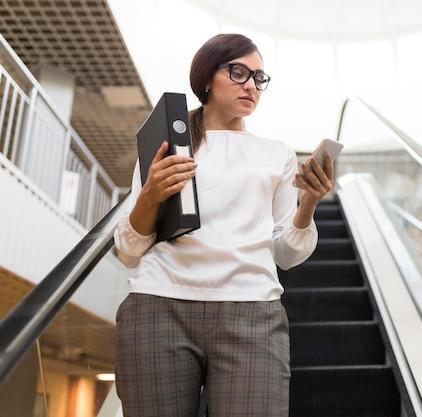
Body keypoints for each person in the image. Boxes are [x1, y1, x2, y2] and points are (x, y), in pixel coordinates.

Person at [112, 33, 334, 417]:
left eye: (259, 78)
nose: (251, 85)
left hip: (253, 315)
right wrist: (150, 193)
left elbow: (286, 253)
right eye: (238, 72)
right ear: (206, 79)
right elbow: (129, 251)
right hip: (158, 307)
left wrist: (309, 202)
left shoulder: (276, 154)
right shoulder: (168, 142)